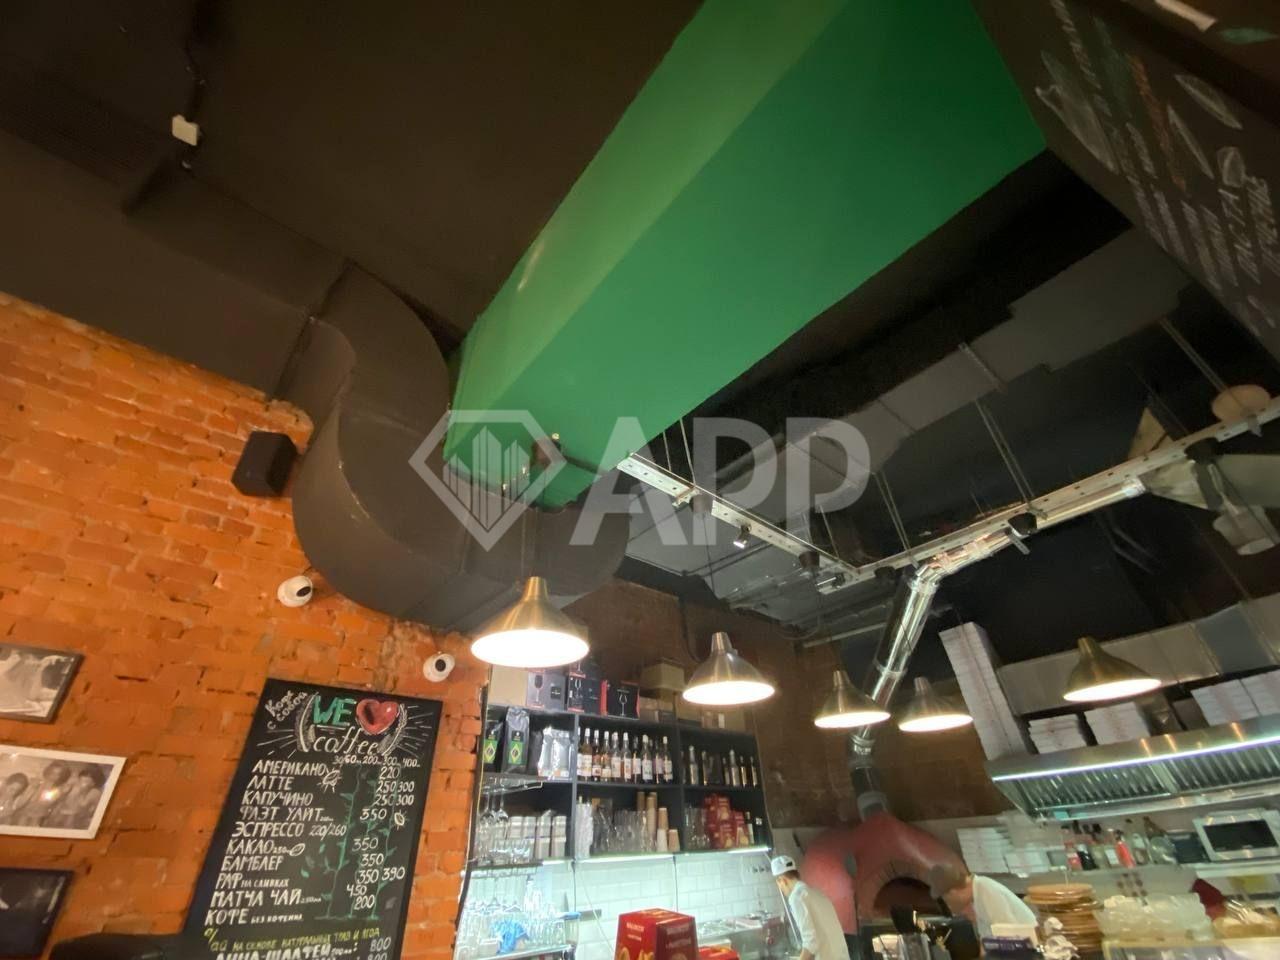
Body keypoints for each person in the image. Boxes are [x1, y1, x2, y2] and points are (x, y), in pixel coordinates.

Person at [926, 862, 1036, 940]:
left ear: (953, 892)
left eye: (947, 900)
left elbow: (1009, 938)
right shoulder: (978, 893)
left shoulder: (986, 891)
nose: (949, 906)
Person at [772, 855, 850, 960]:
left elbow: (811, 942)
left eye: (780, 886)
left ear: (783, 880)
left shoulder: (797, 897)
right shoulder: (816, 893)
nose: (782, 890)